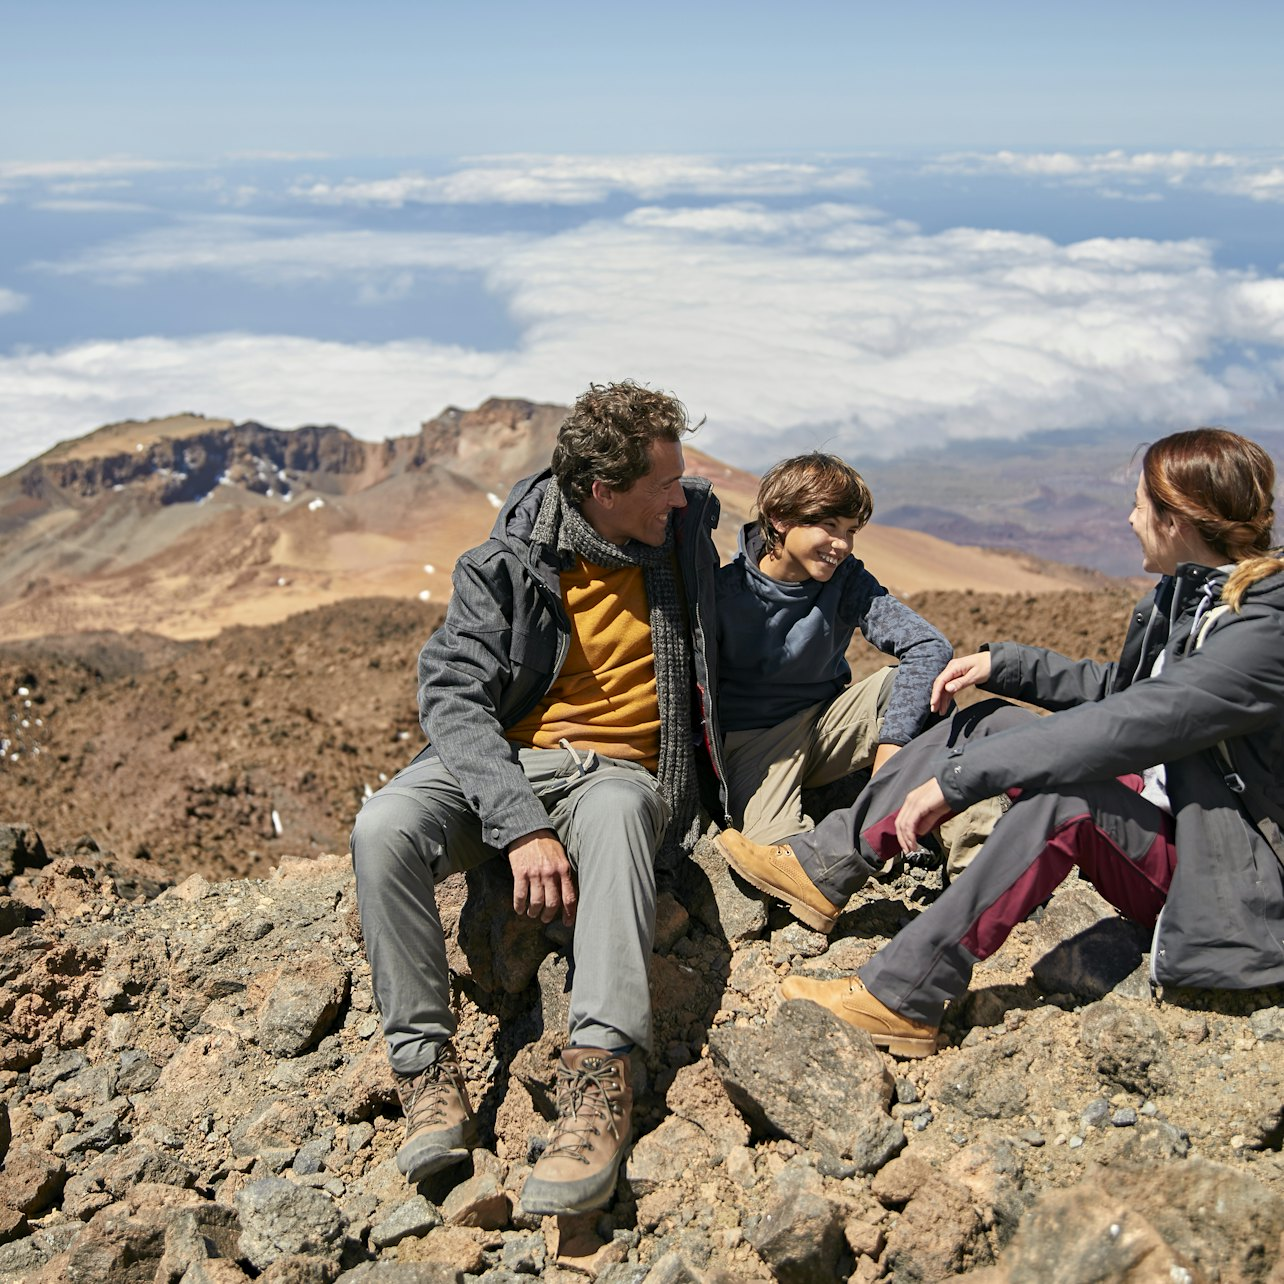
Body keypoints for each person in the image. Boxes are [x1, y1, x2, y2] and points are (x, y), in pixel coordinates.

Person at [775, 427, 1284, 1056]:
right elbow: (1119, 692)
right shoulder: (1190, 597)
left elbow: (1131, 724)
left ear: (1178, 519)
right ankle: (823, 866)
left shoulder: (1263, 630)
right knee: (979, 719)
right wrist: (1002, 664)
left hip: (1219, 877)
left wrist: (960, 781)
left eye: (1140, 506)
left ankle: (905, 993)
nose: (1130, 519)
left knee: (1065, 799)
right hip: (1166, 813)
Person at [350, 381, 727, 1214]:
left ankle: (600, 1086)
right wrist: (518, 824)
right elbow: (451, 694)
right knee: (383, 826)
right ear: (602, 492)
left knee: (625, 812)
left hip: (615, 775)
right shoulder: (508, 564)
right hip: (513, 763)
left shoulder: (685, 529)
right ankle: (426, 1074)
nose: (684, 494)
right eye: (663, 482)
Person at [711, 451, 955, 932]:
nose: (841, 544)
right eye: (829, 526)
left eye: (851, 531)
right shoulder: (721, 593)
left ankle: (975, 859)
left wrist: (891, 751)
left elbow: (929, 646)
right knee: (779, 859)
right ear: (780, 519)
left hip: (827, 722)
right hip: (753, 746)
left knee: (928, 692)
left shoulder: (846, 581)